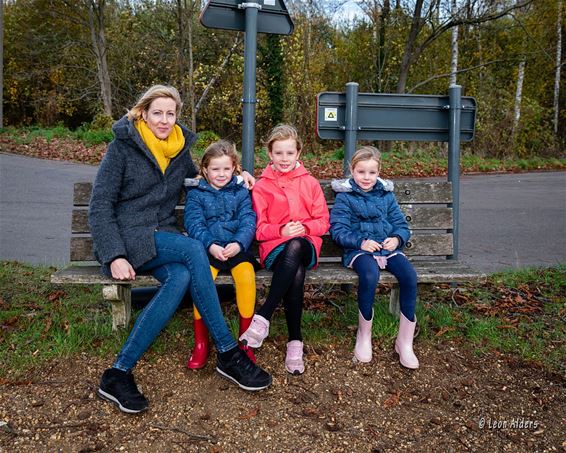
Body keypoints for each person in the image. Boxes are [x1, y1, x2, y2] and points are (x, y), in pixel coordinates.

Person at [88, 85, 272, 414]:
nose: (164, 120)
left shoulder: (178, 151)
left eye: (170, 113)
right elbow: (100, 206)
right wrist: (113, 255)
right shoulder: (122, 149)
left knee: (181, 276)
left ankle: (117, 373)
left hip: (163, 237)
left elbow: (207, 176)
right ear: (143, 112)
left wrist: (240, 175)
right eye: (157, 112)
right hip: (131, 236)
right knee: (193, 250)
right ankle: (229, 352)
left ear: (177, 116)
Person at [238, 124, 330, 375]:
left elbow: (323, 222)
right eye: (279, 153)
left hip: (306, 243)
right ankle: (295, 342)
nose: (284, 159)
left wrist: (302, 228)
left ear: (298, 153)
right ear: (270, 154)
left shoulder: (310, 183)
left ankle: (264, 316)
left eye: (289, 153)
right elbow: (258, 230)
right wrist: (281, 232)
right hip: (274, 249)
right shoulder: (262, 186)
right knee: (296, 273)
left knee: (297, 244)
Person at [329, 146, 419, 369]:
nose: (366, 177)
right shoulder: (345, 197)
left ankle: (404, 342)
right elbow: (338, 230)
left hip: (387, 249)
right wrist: (361, 242)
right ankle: (364, 335)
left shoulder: (386, 195)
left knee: (409, 276)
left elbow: (400, 224)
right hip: (359, 250)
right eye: (361, 172)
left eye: (372, 172)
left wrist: (397, 239)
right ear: (352, 170)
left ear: (379, 172)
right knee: (370, 275)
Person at [184, 140, 258, 369]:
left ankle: (245, 341)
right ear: (205, 169)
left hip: (236, 249)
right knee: (202, 279)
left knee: (246, 276)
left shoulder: (241, 191)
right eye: (215, 169)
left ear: (234, 167)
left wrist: (239, 243)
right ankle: (201, 342)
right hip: (209, 250)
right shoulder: (197, 193)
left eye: (226, 169)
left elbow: (248, 220)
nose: (221, 174)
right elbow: (194, 223)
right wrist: (210, 245)